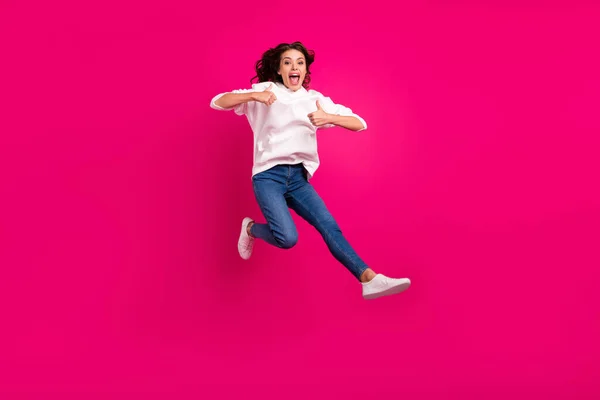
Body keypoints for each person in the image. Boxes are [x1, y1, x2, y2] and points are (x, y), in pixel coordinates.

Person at [210, 41, 410, 300]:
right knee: (287, 239)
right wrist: (253, 95)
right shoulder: (265, 91)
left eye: (300, 63)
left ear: (305, 71)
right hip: (268, 175)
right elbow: (217, 101)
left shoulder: (315, 100)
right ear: (279, 70)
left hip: (299, 179)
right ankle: (250, 230)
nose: (295, 67)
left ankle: (369, 278)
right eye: (288, 62)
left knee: (329, 227)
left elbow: (360, 123)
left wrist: (330, 118)